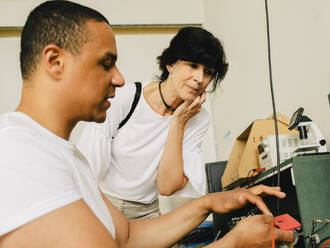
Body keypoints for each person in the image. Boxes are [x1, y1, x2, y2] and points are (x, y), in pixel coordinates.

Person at [0, 1, 295, 247]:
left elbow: (127, 237)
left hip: (145, 210)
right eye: (106, 63)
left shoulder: (66, 156)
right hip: (118, 200)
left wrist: (209, 203)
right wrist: (234, 242)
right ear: (55, 61)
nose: (119, 78)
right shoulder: (17, 151)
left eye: (208, 72)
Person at [76, 26, 228, 220]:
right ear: (170, 64)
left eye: (208, 72)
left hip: (148, 211)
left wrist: (178, 123)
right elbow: (88, 167)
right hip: (104, 203)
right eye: (192, 65)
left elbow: (167, 186)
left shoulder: (198, 118)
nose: (199, 78)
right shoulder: (125, 98)